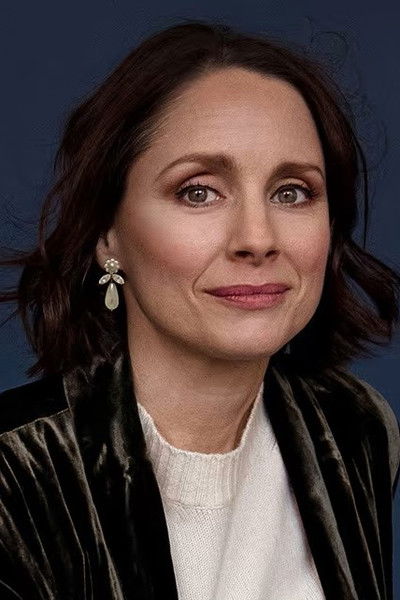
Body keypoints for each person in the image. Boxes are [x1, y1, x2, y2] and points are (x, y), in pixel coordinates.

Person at [0, 19, 399, 600]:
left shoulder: (354, 426)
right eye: (199, 192)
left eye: (292, 192)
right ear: (107, 235)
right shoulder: (16, 470)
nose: (257, 239)